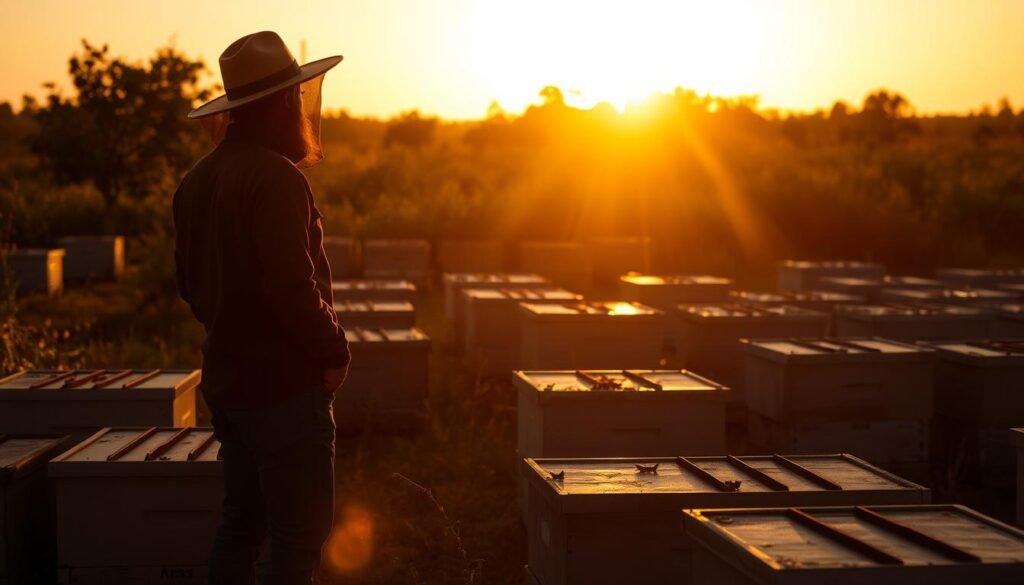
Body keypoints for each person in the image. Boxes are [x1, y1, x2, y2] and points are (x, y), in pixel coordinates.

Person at [173, 31, 349, 584]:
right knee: (296, 540)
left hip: (230, 387)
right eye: (295, 97)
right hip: (283, 391)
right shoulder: (276, 177)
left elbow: (190, 286)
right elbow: (292, 286)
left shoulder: (196, 181)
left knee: (241, 524)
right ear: (279, 105)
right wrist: (333, 351)